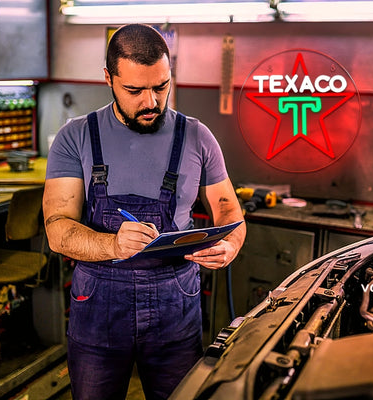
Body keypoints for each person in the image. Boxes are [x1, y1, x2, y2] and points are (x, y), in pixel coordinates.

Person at [43, 23, 246, 400]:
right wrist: (112, 245)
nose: (151, 102)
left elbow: (228, 209)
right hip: (98, 308)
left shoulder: (197, 136)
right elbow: (57, 230)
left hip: (176, 307)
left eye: (161, 86)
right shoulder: (76, 136)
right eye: (135, 90)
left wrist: (230, 243)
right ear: (108, 78)